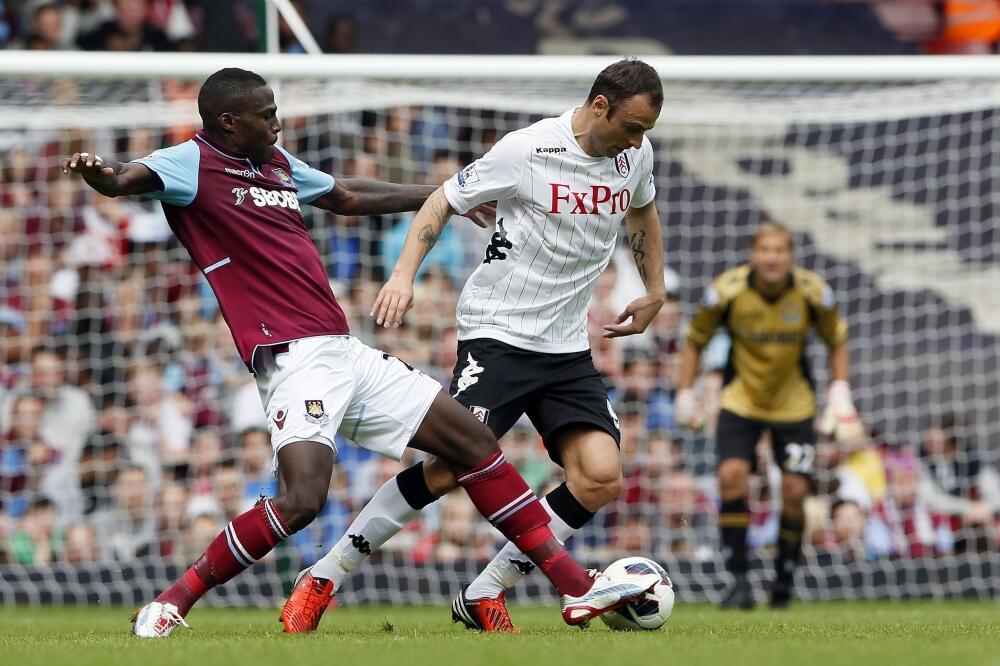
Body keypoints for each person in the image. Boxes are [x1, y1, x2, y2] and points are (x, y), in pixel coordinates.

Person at [63, 67, 657, 638]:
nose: (277, 124)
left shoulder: (272, 164)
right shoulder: (192, 161)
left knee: (472, 444)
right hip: (290, 356)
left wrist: (446, 194)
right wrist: (102, 175)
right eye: (266, 115)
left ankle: (575, 587)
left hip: (343, 348)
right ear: (225, 121)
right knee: (301, 502)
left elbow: (345, 195)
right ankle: (171, 602)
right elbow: (127, 178)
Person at [282, 58, 667, 633]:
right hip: (498, 334)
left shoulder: (634, 156)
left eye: (646, 132)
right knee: (449, 468)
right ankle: (324, 576)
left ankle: (486, 590)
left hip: (565, 345)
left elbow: (643, 211)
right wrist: (402, 276)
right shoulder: (528, 150)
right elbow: (441, 201)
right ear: (599, 107)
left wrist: (655, 287)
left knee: (601, 476)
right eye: (632, 126)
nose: (638, 141)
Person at [676, 221, 863, 609]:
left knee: (794, 493)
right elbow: (695, 341)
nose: (772, 257)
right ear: (753, 254)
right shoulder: (726, 292)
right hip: (740, 401)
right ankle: (739, 580)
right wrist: (684, 393)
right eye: (765, 249)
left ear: (790, 256)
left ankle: (783, 581)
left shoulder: (813, 294)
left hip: (794, 406)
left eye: (780, 250)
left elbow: (837, 340)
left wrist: (840, 390)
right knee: (731, 478)